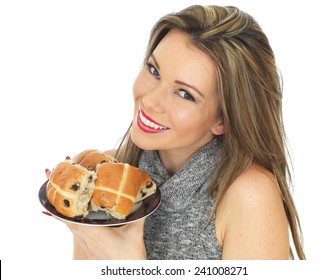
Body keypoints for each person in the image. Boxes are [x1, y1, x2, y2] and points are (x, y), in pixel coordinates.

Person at [45, 5, 305, 260]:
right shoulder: (104, 179)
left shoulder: (250, 197)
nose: (150, 101)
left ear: (223, 120)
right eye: (154, 70)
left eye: (184, 94)